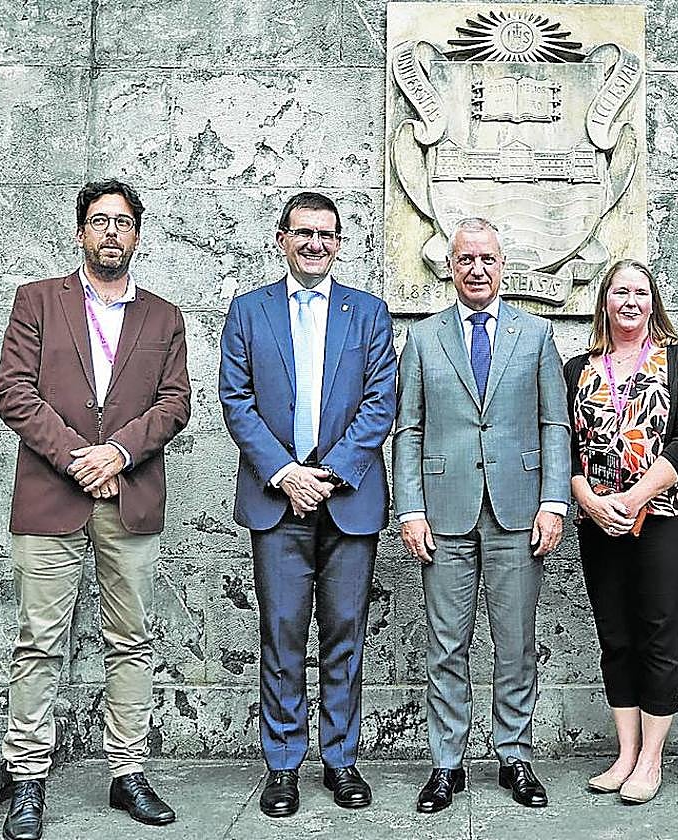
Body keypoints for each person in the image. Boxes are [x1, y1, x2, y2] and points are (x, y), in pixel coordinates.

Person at [0, 179, 190, 840]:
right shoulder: (37, 302)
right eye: (99, 221)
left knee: (130, 641)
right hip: (53, 496)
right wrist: (83, 455)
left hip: (128, 498)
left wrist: (120, 453)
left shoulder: (164, 317)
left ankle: (128, 772)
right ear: (81, 231)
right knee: (40, 642)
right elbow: (13, 392)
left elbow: (174, 403)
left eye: (123, 222)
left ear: (138, 234)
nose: (111, 232)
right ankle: (27, 780)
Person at [218, 192, 396, 817]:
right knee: (283, 635)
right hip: (277, 502)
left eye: (326, 234)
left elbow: (381, 402)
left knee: (346, 636)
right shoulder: (249, 311)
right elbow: (235, 400)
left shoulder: (368, 313)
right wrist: (285, 473)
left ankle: (341, 760)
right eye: (302, 233)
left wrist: (330, 473)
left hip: (347, 501)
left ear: (340, 242)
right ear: (282, 239)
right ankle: (284, 764)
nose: (313, 244)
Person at [393, 217, 570, 814]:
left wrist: (552, 500)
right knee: (447, 644)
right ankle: (447, 763)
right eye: (465, 259)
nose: (476, 269)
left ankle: (514, 754)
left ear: (502, 263)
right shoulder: (422, 338)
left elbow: (553, 422)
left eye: (487, 259)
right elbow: (409, 428)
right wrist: (410, 507)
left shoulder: (536, 334)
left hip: (519, 512)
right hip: (443, 513)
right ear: (451, 266)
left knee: (515, 642)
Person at [564, 258, 678, 805]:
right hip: (597, 520)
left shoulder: (677, 361)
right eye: (620, 292)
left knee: (657, 631)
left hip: (664, 517)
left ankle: (652, 759)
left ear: (653, 302)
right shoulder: (577, 367)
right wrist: (588, 500)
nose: (631, 302)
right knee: (616, 636)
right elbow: (563, 446)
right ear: (604, 301)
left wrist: (632, 497)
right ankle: (624, 753)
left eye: (641, 293)